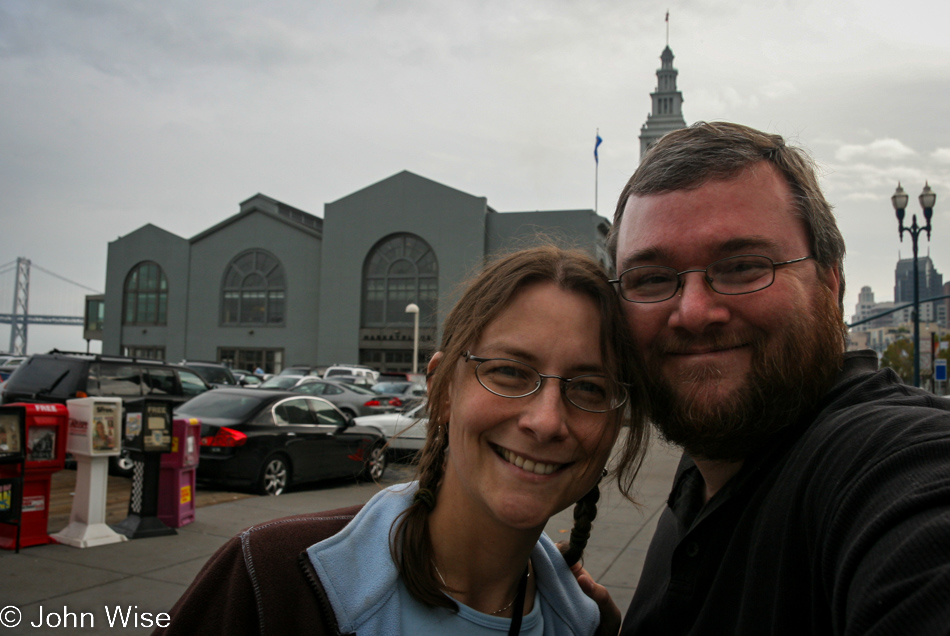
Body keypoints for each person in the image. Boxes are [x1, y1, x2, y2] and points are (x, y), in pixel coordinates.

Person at [155, 245, 649, 635]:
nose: (546, 421)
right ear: (440, 390)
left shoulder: (581, 623)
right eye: (509, 372)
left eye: (588, 387)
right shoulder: (272, 582)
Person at [606, 121, 950, 635]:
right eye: (652, 279)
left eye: (743, 266)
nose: (695, 312)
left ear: (830, 282)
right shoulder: (706, 467)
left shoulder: (892, 465)